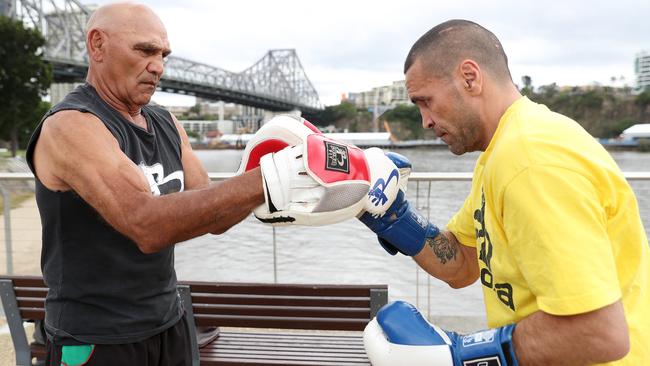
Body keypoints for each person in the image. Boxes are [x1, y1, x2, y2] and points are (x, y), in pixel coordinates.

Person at [25, 3, 400, 365]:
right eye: (144, 51)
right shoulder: (71, 126)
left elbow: (212, 215)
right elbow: (145, 224)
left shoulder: (166, 123)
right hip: (96, 338)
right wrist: (276, 174)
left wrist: (284, 174)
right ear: (97, 45)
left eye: (164, 54)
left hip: (168, 323)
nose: (157, 66)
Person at [361, 19, 649, 365]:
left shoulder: (532, 158)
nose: (425, 120)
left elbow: (598, 331)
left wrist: (463, 356)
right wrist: (390, 214)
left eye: (427, 101)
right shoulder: (500, 154)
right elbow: (462, 263)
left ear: (470, 77)